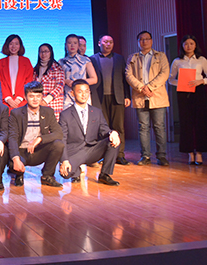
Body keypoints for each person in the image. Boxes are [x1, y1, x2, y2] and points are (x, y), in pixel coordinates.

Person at [59, 79, 121, 186]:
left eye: (86, 91)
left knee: (114, 140)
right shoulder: (65, 114)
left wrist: (113, 133)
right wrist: (64, 160)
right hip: (75, 151)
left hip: (92, 149)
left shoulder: (96, 112)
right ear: (72, 93)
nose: (84, 95)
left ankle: (104, 174)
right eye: (80, 92)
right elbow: (62, 139)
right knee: (65, 173)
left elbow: (104, 130)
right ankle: (76, 170)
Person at [7, 81, 64, 188]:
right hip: (22, 152)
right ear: (25, 97)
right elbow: (12, 137)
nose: (35, 99)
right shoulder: (16, 113)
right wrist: (15, 159)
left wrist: (40, 139)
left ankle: (47, 176)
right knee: (13, 163)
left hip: (39, 151)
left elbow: (59, 133)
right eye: (31, 96)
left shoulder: (48, 112)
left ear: (42, 97)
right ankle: (19, 174)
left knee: (58, 144)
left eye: (38, 96)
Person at [125, 31, 170, 166]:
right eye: (141, 39)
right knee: (143, 127)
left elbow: (164, 73)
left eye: (147, 39)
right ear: (138, 42)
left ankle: (161, 156)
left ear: (151, 40)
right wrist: (141, 88)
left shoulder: (160, 56)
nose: (144, 41)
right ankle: (145, 156)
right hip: (140, 96)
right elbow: (128, 75)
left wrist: (150, 87)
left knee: (159, 127)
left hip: (157, 96)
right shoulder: (132, 57)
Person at [89, 35, 131, 165]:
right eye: (105, 42)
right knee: (103, 128)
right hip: (99, 98)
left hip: (117, 97)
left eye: (111, 42)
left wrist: (127, 96)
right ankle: (105, 155)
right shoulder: (92, 59)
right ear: (99, 43)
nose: (108, 44)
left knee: (119, 127)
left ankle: (120, 155)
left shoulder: (119, 58)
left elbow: (124, 79)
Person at [168, 35, 207, 165]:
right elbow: (170, 79)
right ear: (182, 46)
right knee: (186, 122)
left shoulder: (201, 60)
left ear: (195, 45)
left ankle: (199, 152)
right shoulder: (177, 61)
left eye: (191, 43)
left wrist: (201, 81)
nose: (189, 46)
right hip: (183, 92)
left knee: (200, 122)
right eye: (186, 44)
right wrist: (181, 82)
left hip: (199, 91)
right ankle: (190, 153)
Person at [59, 34, 98, 110]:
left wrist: (78, 82)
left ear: (78, 45)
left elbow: (94, 79)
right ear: (65, 45)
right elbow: (57, 80)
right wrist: (66, 81)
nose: (72, 45)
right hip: (67, 96)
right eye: (69, 43)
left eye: (75, 43)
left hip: (82, 95)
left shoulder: (85, 60)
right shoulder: (61, 62)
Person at [0, 34, 34, 112]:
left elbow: (29, 80)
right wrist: (8, 98)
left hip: (22, 101)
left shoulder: (26, 61)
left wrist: (19, 98)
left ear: (20, 46)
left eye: (16, 44)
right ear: (7, 45)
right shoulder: (1, 62)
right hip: (5, 102)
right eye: (11, 44)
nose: (13, 46)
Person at [32, 43, 65, 121]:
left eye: (46, 51)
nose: (43, 54)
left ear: (51, 53)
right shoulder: (36, 69)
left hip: (52, 103)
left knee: (52, 126)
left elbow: (60, 86)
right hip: (38, 103)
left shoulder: (57, 68)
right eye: (41, 52)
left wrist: (46, 100)